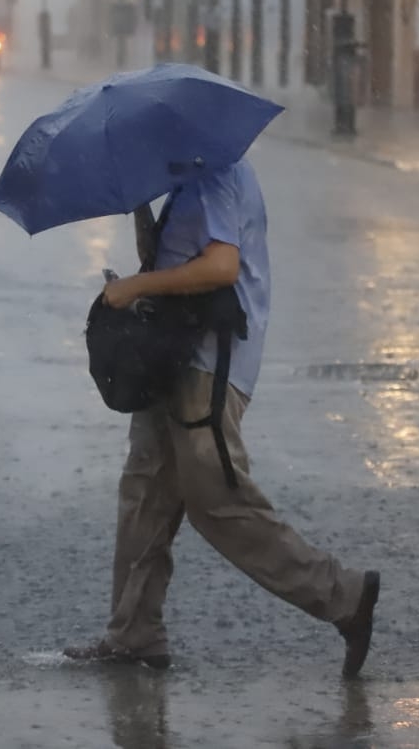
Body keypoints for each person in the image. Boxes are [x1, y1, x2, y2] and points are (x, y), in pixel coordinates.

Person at [64, 158, 380, 677]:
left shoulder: (214, 174)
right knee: (147, 491)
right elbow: (185, 263)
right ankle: (133, 634)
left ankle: (344, 596)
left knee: (219, 502)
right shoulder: (189, 181)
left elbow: (221, 267)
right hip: (173, 359)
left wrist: (136, 288)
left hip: (207, 368)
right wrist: (147, 227)